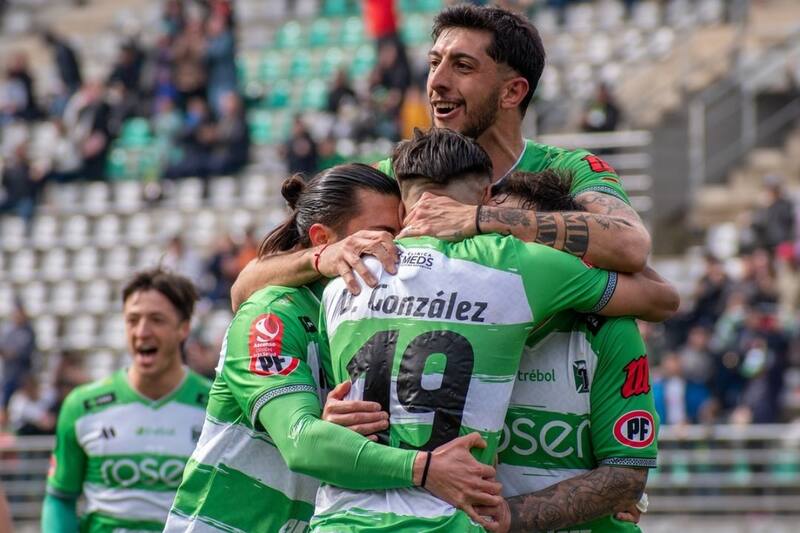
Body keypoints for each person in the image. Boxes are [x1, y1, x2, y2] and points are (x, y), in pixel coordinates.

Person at [311, 128, 676, 532]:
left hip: (340, 519)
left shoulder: (340, 280)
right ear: (485, 199)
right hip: (446, 522)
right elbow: (661, 296)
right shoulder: (512, 264)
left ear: (402, 208)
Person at [230, 4, 653, 309]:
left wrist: (478, 219)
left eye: (462, 67)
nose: (437, 82)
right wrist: (321, 257)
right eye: (435, 62)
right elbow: (246, 287)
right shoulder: (389, 178)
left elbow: (631, 247)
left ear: (512, 91)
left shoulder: (568, 169)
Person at [164, 164, 502, 532]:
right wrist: (425, 469)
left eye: (400, 234)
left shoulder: (366, 315)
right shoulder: (272, 315)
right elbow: (300, 443)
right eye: (382, 234)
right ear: (323, 239)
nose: (397, 248)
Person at [481, 170, 658, 532]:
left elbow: (625, 477)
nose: (495, 257)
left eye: (510, 242)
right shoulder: (453, 320)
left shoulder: (608, 330)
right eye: (486, 240)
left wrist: (508, 517)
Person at [42, 268, 211, 532]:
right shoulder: (82, 405)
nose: (142, 331)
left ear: (183, 328)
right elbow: (60, 498)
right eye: (132, 320)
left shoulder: (216, 406)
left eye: (156, 320)